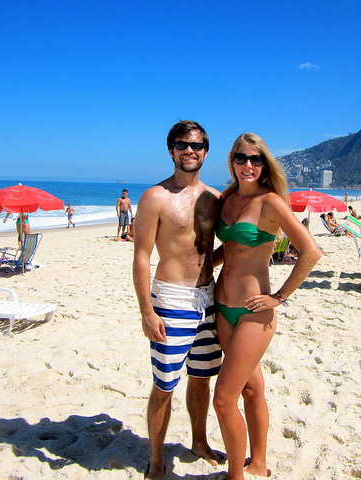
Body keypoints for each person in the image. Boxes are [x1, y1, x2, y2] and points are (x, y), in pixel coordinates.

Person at [213, 133, 322, 479]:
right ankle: (258, 462)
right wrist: (197, 266)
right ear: (231, 160)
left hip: (254, 314)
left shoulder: (271, 203)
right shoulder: (227, 197)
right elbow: (228, 251)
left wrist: (279, 297)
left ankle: (236, 475)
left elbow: (311, 252)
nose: (248, 165)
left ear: (264, 164)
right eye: (241, 158)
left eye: (255, 159)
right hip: (221, 307)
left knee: (223, 400)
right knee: (251, 387)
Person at [132, 120, 223, 480]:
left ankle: (199, 442)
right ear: (171, 150)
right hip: (171, 300)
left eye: (197, 146)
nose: (190, 150)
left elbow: (207, 253)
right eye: (183, 144)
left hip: (208, 298)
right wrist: (146, 310)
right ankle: (156, 460)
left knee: (202, 378)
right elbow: (141, 256)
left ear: (205, 152)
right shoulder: (155, 197)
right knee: (164, 385)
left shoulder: (215, 198)